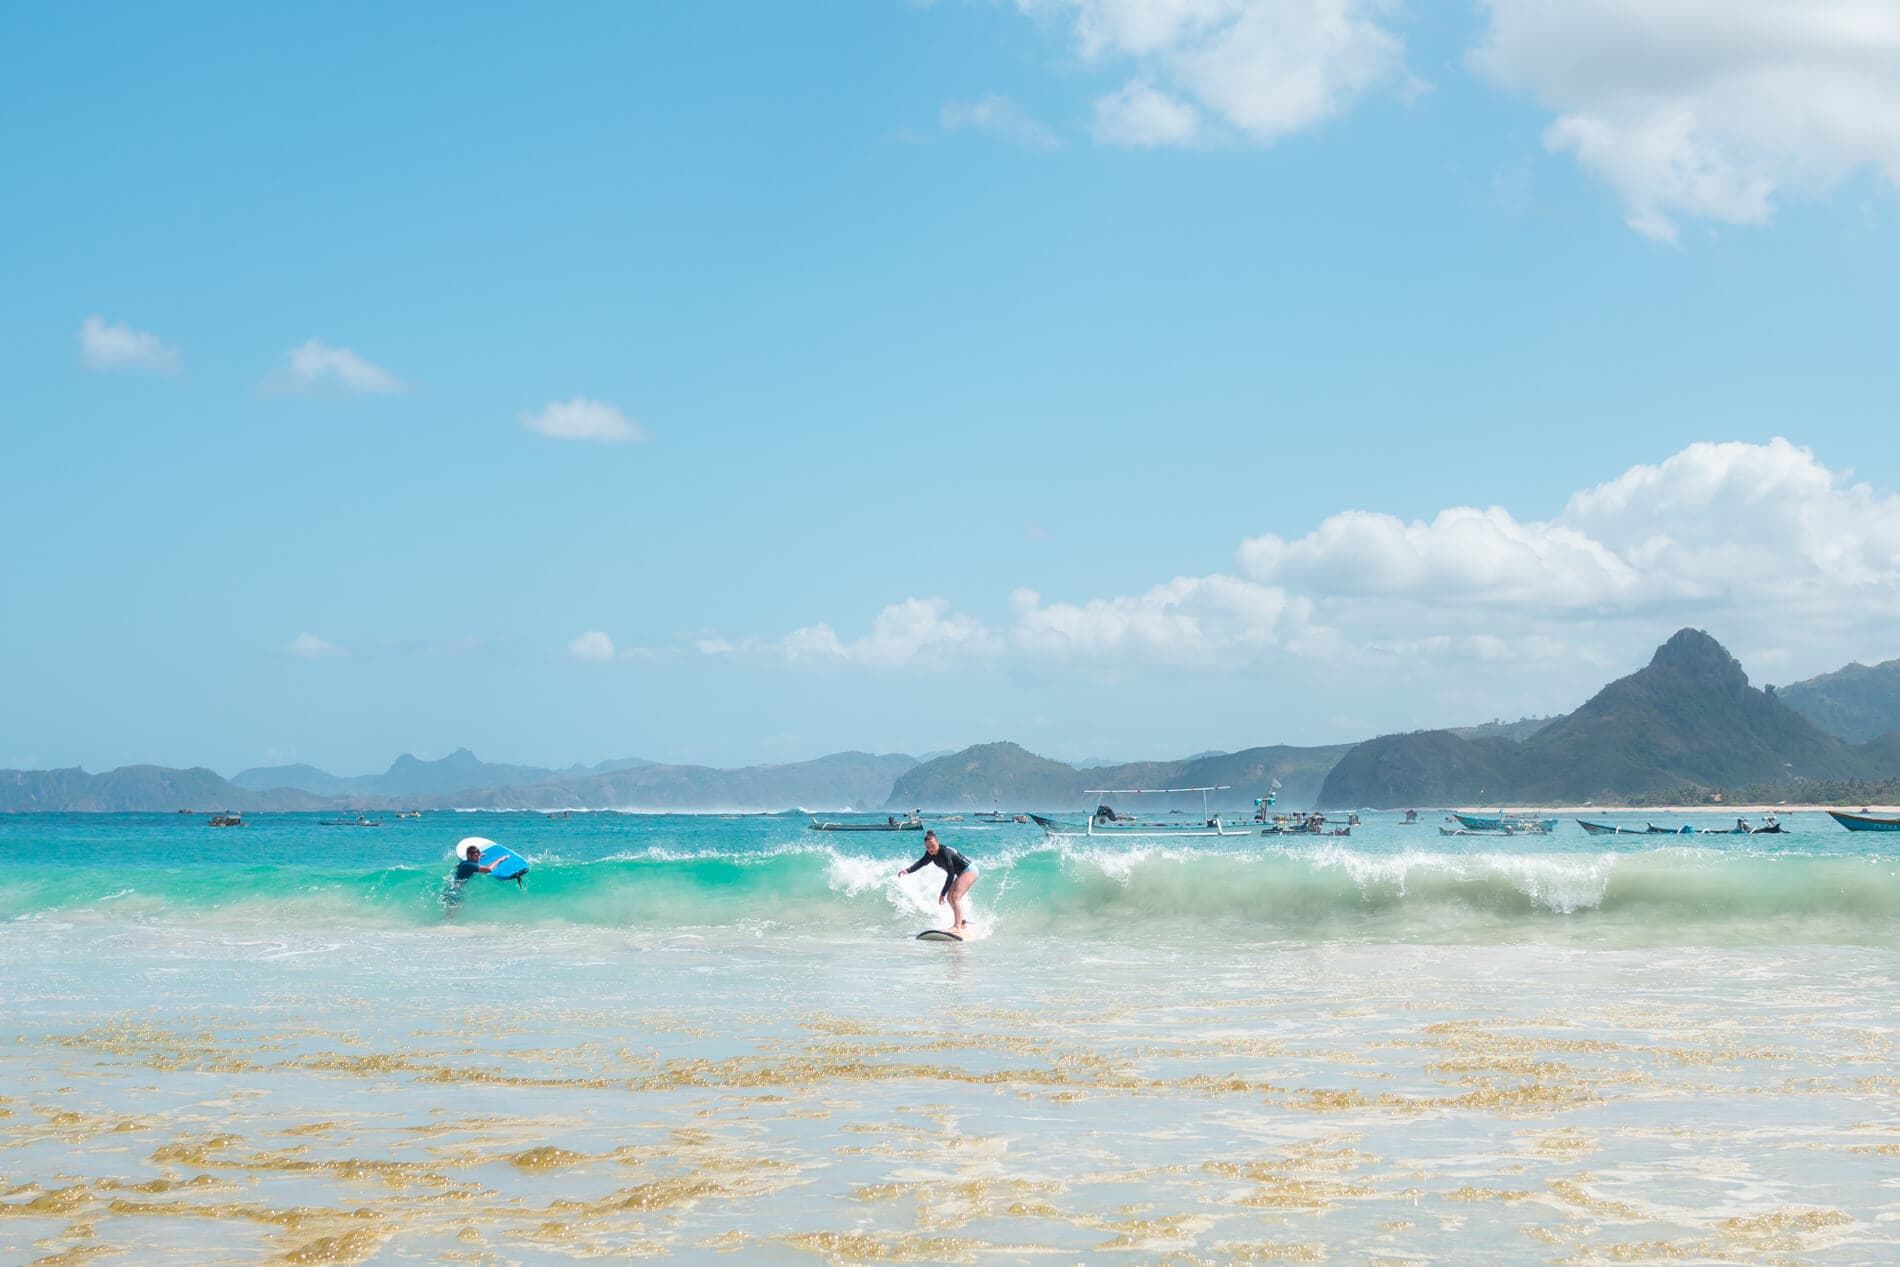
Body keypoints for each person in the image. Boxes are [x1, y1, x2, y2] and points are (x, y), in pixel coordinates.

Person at [897, 830, 977, 932]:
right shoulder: (930, 854)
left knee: (955, 897)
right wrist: (907, 870)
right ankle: (962, 922)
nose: (930, 849)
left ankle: (957, 927)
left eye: (933, 846)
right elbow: (921, 863)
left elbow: (951, 875)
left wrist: (942, 893)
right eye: (928, 847)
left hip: (969, 870)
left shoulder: (945, 853)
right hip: (962, 873)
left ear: (937, 843)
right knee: (950, 898)